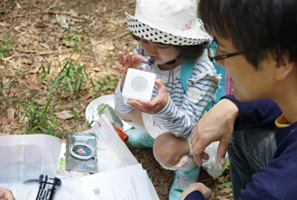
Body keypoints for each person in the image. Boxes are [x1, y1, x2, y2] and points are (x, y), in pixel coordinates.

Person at [182, 0, 297, 199]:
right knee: (241, 126)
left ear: (280, 61)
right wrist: (235, 105)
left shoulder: (278, 189)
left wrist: (192, 196)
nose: (218, 59)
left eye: (225, 51)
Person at [112, 0, 220, 199]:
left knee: (165, 149)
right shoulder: (145, 52)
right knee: (126, 109)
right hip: (164, 116)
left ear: (184, 44)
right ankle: (154, 135)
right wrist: (126, 81)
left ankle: (187, 170)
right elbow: (121, 109)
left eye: (162, 44)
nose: (151, 51)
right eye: (144, 40)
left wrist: (163, 109)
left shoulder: (201, 71)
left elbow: (187, 127)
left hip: (196, 129)